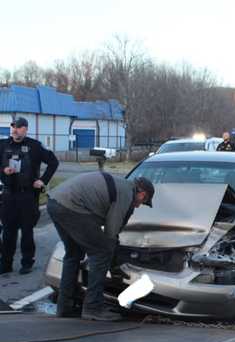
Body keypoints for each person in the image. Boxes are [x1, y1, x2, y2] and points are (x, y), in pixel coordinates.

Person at [47, 172, 154, 322]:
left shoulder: (122, 185)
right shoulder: (126, 195)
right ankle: (92, 308)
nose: (139, 205)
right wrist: (114, 265)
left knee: (73, 254)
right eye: (143, 202)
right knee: (101, 253)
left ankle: (64, 307)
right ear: (142, 194)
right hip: (72, 206)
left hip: (55, 202)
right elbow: (111, 233)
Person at [0, 117, 59, 274]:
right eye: (13, 127)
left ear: (25, 129)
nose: (15, 130)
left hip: (27, 195)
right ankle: (5, 264)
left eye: (18, 127)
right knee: (8, 231)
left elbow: (53, 162)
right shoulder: (3, 145)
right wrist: (3, 171)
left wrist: (42, 181)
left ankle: (27, 263)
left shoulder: (34, 146)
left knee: (27, 230)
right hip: (8, 195)